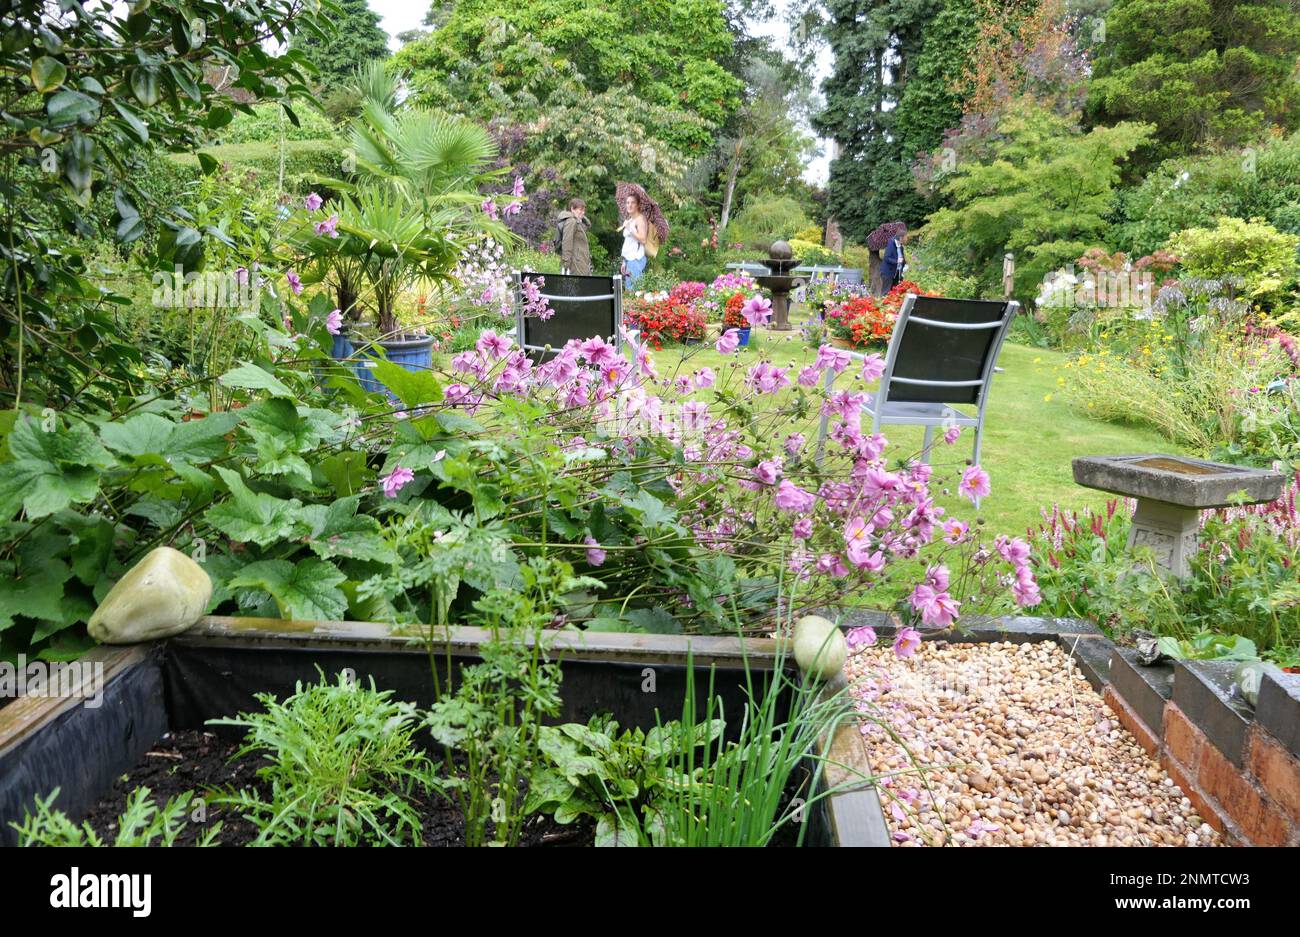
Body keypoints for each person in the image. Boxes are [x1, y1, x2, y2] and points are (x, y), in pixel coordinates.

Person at [619, 193, 648, 289]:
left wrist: (630, 229)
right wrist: (624, 261)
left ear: (638, 205)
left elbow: (643, 239)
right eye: (627, 203)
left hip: (636, 260)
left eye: (633, 203)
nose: (629, 205)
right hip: (629, 260)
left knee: (634, 292)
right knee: (629, 290)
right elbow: (628, 243)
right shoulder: (630, 220)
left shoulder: (640, 219)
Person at [557, 198, 592, 275]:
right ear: (572, 208)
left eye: (584, 210)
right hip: (575, 264)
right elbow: (567, 242)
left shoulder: (577, 222)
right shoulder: (571, 221)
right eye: (580, 210)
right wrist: (566, 264)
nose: (583, 213)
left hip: (580, 263)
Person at [880, 221, 907, 289]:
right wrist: (897, 261)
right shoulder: (891, 244)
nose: (906, 239)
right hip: (888, 273)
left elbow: (902, 259)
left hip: (897, 273)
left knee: (895, 294)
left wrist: (905, 264)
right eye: (905, 237)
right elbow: (887, 257)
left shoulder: (900, 246)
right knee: (886, 293)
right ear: (901, 238)